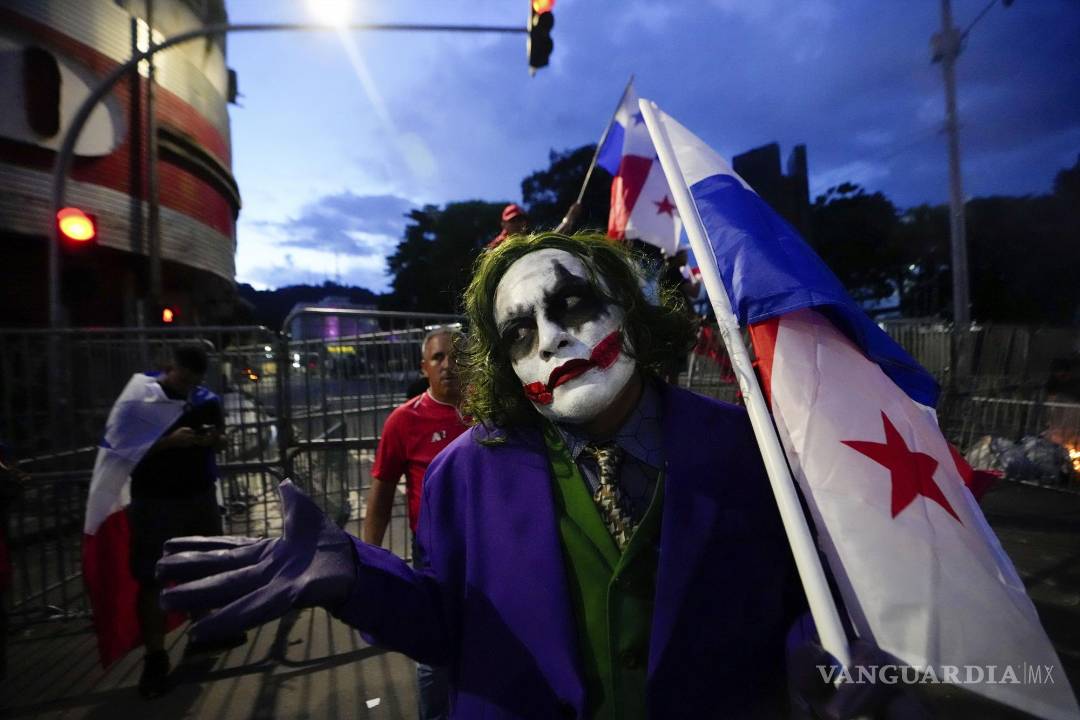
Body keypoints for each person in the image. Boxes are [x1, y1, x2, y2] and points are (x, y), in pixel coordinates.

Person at [158, 234, 909, 718]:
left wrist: (822, 660)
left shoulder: (750, 448)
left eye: (572, 305)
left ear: (629, 311)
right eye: (519, 331)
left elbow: (799, 599)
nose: (550, 339)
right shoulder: (463, 475)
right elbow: (449, 627)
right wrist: (360, 577)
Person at [362, 326, 468, 720]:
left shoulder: (491, 413)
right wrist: (369, 557)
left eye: (456, 356)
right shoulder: (403, 421)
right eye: (438, 357)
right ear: (424, 367)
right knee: (434, 653)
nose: (448, 365)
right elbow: (382, 493)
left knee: (485, 640)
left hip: (488, 551)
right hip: (433, 554)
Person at [127, 343, 229, 697]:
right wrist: (168, 442)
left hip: (199, 494)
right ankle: (155, 656)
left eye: (194, 382)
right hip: (155, 500)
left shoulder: (205, 399)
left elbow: (220, 440)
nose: (188, 388)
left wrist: (213, 439)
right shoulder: (143, 398)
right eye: (183, 380)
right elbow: (122, 449)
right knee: (153, 577)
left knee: (203, 567)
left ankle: (203, 630)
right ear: (169, 367)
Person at [486, 201, 582, 249]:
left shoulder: (531, 240)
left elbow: (551, 240)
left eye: (520, 219)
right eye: (512, 220)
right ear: (503, 224)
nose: (517, 224)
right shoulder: (497, 246)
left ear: (526, 222)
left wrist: (570, 217)